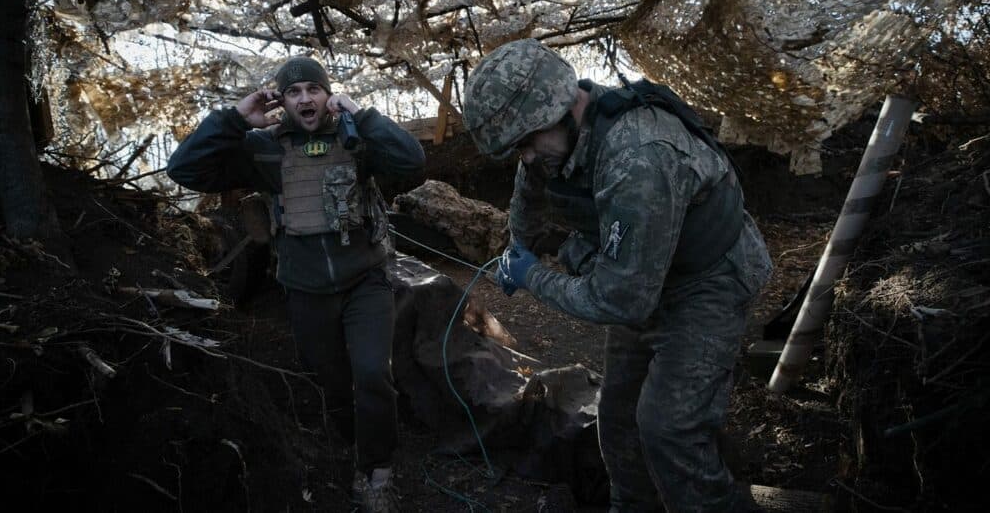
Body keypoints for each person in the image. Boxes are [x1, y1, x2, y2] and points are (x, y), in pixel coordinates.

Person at [462, 39, 772, 512]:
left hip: (707, 282)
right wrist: (516, 247)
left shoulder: (638, 157)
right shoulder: (554, 136)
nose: (524, 157)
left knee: (670, 429)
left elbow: (620, 301)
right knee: (619, 420)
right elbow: (529, 197)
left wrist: (532, 277)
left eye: (526, 144)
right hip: (642, 276)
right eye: (515, 148)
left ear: (563, 108)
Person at [167, 56, 425, 512]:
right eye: (294, 91)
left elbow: (412, 159)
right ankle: (349, 448)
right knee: (331, 380)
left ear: (327, 94)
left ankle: (378, 472)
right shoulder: (264, 149)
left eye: (313, 89)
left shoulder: (355, 137)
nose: (305, 98)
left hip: (366, 281)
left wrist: (360, 115)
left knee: (371, 374)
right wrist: (231, 119)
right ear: (281, 101)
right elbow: (184, 170)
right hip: (305, 290)